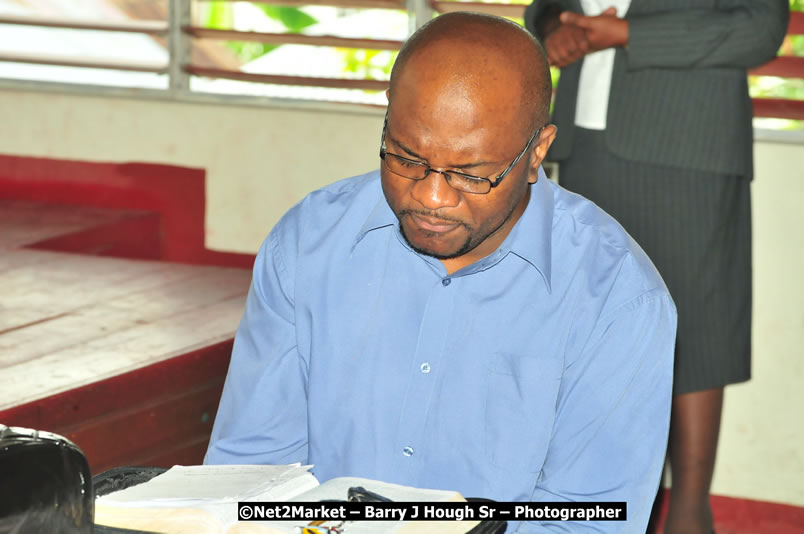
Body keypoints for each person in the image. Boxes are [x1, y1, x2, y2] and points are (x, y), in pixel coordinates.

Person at [205, 12, 676, 532]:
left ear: (536, 151)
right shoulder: (308, 243)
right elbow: (252, 473)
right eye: (406, 158)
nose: (430, 196)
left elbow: (588, 521)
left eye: (471, 175)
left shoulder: (615, 297)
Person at [522, 2, 789, 533]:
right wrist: (553, 27)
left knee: (697, 326)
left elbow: (760, 25)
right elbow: (548, 5)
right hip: (583, 142)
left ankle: (689, 514)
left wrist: (626, 33)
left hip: (687, 142)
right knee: (588, 332)